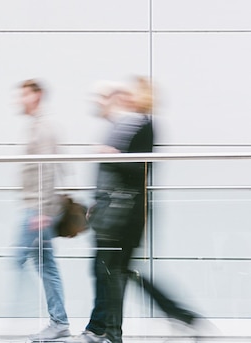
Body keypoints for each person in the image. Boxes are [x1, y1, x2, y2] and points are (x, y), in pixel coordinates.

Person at [67, 77, 203, 343]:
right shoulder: (127, 125)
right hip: (118, 211)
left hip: (127, 214)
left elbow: (140, 169)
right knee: (115, 271)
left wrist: (112, 156)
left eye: (131, 93)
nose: (125, 96)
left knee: (112, 271)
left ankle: (107, 331)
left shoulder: (144, 125)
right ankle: (176, 318)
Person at [14, 79, 72, 342]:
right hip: (35, 207)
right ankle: (58, 321)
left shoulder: (44, 128)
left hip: (39, 209)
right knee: (43, 264)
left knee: (22, 261)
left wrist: (43, 211)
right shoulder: (37, 126)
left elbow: (48, 170)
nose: (19, 100)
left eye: (24, 95)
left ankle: (19, 315)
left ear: (37, 96)